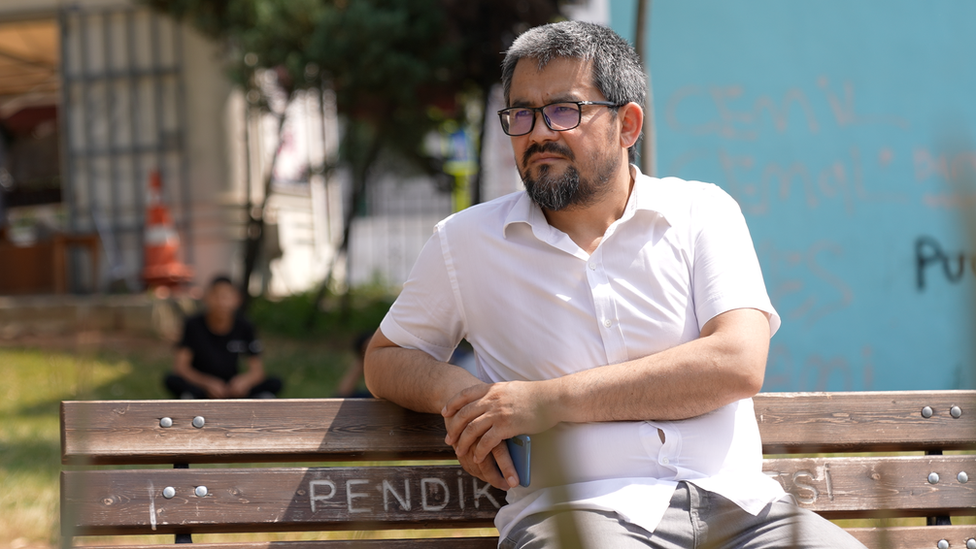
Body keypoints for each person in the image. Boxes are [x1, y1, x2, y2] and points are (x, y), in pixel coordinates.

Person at [364, 20, 865, 549]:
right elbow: (386, 357)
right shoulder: (465, 242)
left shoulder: (701, 212)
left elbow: (737, 363)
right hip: (581, 517)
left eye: (563, 110)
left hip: (744, 513)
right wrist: (466, 398)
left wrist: (545, 402)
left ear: (627, 125)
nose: (538, 133)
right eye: (522, 114)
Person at [164, 275, 282, 399]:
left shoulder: (245, 326)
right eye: (216, 296)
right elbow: (181, 367)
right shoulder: (193, 325)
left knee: (275, 382)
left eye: (226, 297)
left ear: (237, 299)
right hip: (202, 385)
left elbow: (257, 371)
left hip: (232, 386)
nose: (221, 302)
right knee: (173, 380)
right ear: (207, 298)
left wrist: (244, 382)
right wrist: (207, 383)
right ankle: (191, 399)